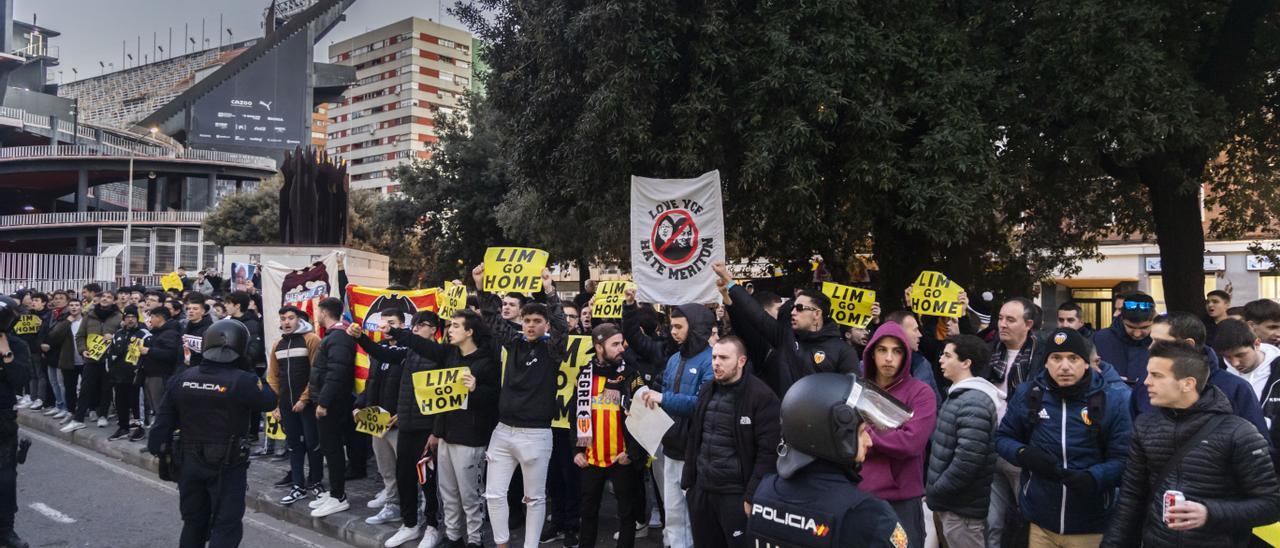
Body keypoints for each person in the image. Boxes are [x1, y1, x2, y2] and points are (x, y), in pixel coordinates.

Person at [1102, 342, 1280, 547]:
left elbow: (1271, 505)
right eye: (1148, 374)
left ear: (1187, 383)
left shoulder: (1239, 432)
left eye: (1157, 375)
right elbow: (1131, 497)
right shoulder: (1145, 426)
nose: (1146, 382)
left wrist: (1208, 512)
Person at [996, 328, 1132, 547]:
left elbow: (1125, 459)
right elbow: (1002, 438)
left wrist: (1094, 477)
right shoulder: (1028, 394)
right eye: (1056, 358)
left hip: (1090, 524)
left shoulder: (1113, 399)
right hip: (1039, 522)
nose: (1065, 366)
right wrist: (1023, 454)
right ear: (1046, 362)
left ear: (1086, 362)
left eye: (1073, 358)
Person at [147, 319, 277, 548]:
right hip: (227, 463)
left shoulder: (183, 378)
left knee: (193, 522)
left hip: (188, 460)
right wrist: (248, 370)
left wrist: (159, 449)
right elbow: (269, 400)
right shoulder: (243, 381)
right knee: (226, 525)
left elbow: (162, 422)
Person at [750, 373, 912, 548]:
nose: (869, 441)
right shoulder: (867, 513)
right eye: (861, 432)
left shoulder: (763, 494)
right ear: (833, 436)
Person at [475, 265, 568, 548]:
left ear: (546, 325)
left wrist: (551, 291)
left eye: (537, 321)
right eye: (526, 320)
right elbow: (492, 320)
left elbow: (563, 326)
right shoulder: (514, 343)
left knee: (535, 498)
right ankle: (501, 543)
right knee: (493, 494)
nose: (530, 325)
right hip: (503, 432)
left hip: (536, 435)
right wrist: (480, 287)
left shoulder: (553, 349)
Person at [622, 290, 715, 548]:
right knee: (673, 515)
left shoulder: (711, 361)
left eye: (678, 326)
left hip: (695, 452)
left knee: (695, 516)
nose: (673, 331)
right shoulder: (673, 359)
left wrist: (662, 399)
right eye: (671, 326)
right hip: (671, 447)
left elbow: (702, 404)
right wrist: (640, 408)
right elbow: (660, 393)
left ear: (695, 327)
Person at [354, 310, 446, 548]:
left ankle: (433, 527)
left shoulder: (442, 354)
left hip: (427, 429)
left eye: (421, 325)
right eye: (413, 324)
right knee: (404, 476)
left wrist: (436, 431)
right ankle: (409, 524)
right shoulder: (407, 352)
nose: (415, 328)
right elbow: (381, 352)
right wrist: (361, 338)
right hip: (406, 425)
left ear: (434, 329)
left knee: (428, 481)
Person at [681, 336, 780, 548]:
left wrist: (751, 496)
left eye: (724, 358)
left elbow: (768, 452)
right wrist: (690, 484)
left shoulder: (762, 396)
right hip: (702, 492)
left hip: (735, 496)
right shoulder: (707, 389)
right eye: (714, 357)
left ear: (741, 361)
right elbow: (695, 436)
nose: (716, 362)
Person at [713, 261, 858, 397]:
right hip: (784, 420)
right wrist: (729, 281)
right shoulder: (784, 336)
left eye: (800, 308)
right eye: (793, 307)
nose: (793, 312)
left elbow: (851, 394)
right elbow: (756, 314)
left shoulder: (843, 351)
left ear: (817, 314)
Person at [1129, 313, 1269, 444]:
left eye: (1160, 342)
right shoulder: (1145, 383)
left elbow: (1258, 449)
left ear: (1189, 344)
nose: (1151, 347)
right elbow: (1133, 439)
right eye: (1152, 340)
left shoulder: (1234, 388)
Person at [859, 322, 938, 547]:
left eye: (897, 351)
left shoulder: (921, 393)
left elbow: (911, 442)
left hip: (902, 501)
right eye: (882, 350)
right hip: (860, 495)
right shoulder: (857, 388)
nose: (889, 358)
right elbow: (841, 437)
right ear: (871, 353)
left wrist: (865, 435)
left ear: (906, 355)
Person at [430, 309, 500, 548]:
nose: (450, 330)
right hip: (447, 436)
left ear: (470, 332)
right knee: (448, 492)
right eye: (450, 325)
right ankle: (453, 535)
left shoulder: (487, 362)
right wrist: (437, 432)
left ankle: (475, 539)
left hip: (471, 438)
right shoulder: (450, 356)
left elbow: (494, 399)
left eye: (456, 326)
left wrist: (475, 390)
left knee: (471, 495)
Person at [575, 324, 648, 548]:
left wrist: (633, 453)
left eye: (621, 343)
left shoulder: (631, 374)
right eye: (614, 344)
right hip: (591, 457)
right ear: (599, 347)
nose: (621, 348)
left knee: (627, 515)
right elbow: (574, 413)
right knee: (587, 512)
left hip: (621, 458)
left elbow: (643, 416)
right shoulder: (584, 373)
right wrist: (576, 450)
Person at [983, 298, 1046, 548]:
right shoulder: (988, 351)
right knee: (991, 522)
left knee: (1028, 518)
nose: (1002, 324)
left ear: (1028, 324)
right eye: (1000, 318)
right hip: (990, 446)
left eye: (1010, 319)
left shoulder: (1042, 357)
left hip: (1022, 448)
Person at [928, 335, 1000, 548]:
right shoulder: (961, 396)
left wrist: (937, 489)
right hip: (952, 505)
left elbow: (967, 461)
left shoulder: (974, 402)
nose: (941, 360)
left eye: (948, 355)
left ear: (966, 363)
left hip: (961, 510)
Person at [267, 306, 323, 506]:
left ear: (299, 320)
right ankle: (298, 486)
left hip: (307, 405)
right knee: (294, 445)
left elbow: (316, 372)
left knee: (313, 443)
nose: (286, 322)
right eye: (283, 318)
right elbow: (272, 377)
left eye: (291, 318)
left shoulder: (311, 339)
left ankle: (317, 483)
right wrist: (275, 404)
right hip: (286, 404)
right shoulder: (278, 345)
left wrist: (304, 399)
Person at [307, 297, 357, 518]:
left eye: (318, 311)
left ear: (324, 312)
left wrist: (324, 402)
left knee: (333, 448)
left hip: (332, 403)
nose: (316, 314)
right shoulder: (335, 336)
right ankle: (334, 492)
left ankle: (339, 497)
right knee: (329, 448)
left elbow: (336, 373)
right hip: (330, 401)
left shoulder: (337, 337)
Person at [1213, 318, 1280, 450]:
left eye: (1241, 355)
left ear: (1257, 343)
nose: (1235, 363)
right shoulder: (1218, 373)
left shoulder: (1277, 370)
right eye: (1228, 357)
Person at [64, 291, 123, 432]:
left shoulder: (119, 317)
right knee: (85, 388)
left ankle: (103, 415)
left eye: (109, 297)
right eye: (103, 297)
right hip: (91, 358)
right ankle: (78, 418)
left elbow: (124, 336)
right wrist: (82, 350)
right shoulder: (89, 316)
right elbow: (80, 336)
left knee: (106, 388)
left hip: (109, 360)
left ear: (114, 301)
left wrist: (113, 337)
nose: (105, 299)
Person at [0, 296, 32, 548]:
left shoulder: (17, 345)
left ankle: (6, 530)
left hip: (3, 420)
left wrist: (6, 354)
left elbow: (20, 380)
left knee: (6, 479)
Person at [1092, 292, 1156, 383]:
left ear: (1154, 320)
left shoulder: (1164, 341)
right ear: (1122, 319)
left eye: (1144, 328)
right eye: (1130, 327)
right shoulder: (1099, 339)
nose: (1137, 334)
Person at [105, 305, 147, 441]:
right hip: (118, 376)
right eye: (127, 317)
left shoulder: (144, 334)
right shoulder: (118, 334)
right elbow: (111, 353)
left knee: (136, 403)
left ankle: (139, 428)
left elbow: (147, 355)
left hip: (135, 376)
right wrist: (110, 369)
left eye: (133, 317)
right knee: (120, 402)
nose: (130, 320)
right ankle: (123, 427)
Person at [139, 306, 182, 429]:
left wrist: (149, 351)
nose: (150, 320)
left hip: (160, 376)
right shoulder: (156, 332)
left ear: (160, 318)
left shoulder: (170, 334)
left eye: (152, 317)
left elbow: (170, 354)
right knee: (155, 408)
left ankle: (163, 439)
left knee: (161, 408)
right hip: (150, 374)